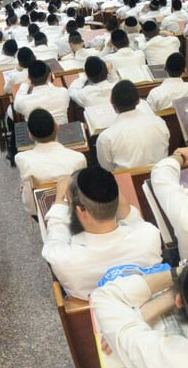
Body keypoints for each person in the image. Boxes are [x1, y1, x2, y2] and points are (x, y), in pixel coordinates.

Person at [41, 166, 162, 299]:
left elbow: (56, 235)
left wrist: (60, 200)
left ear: (81, 211)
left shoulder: (63, 259)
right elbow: (130, 216)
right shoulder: (149, 236)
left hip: (92, 318)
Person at [14, 108, 88, 214]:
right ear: (57, 127)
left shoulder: (21, 159)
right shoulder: (78, 158)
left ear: (30, 135)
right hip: (72, 209)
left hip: (39, 211)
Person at [96, 81, 169, 172]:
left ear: (112, 102)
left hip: (126, 182)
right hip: (161, 175)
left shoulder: (106, 137)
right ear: (138, 100)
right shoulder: (159, 122)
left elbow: (107, 169)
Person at [13, 60, 71, 125]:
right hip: (63, 133)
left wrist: (25, 84)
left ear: (29, 78)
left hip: (37, 134)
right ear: (49, 76)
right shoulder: (63, 92)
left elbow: (16, 106)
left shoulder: (22, 102)